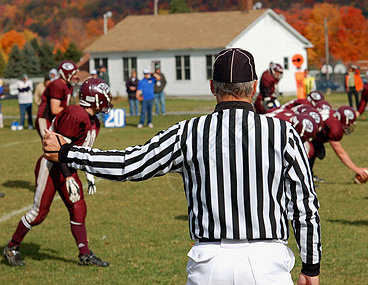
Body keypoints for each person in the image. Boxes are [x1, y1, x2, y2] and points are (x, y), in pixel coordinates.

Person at [42, 48, 321, 285]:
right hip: (267, 261)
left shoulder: (188, 131)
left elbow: (132, 163)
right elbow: (304, 204)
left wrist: (69, 153)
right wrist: (311, 266)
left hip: (210, 263)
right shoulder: (283, 132)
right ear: (254, 87)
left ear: (212, 86)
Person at [3, 78, 111, 267]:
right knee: (39, 213)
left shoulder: (93, 120)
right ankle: (12, 246)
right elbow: (57, 150)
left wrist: (88, 173)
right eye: (104, 96)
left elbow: (81, 152)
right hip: (52, 166)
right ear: (95, 98)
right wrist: (68, 176)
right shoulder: (75, 115)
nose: (107, 99)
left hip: (68, 167)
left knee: (78, 209)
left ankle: (85, 254)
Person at [309, 104, 368, 182]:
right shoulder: (335, 127)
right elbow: (340, 153)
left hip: (308, 133)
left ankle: (308, 177)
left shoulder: (333, 114)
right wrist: (356, 169)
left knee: (315, 148)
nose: (349, 126)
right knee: (309, 151)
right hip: (301, 135)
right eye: (349, 124)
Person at [35, 60, 79, 139]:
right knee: (51, 146)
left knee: (61, 147)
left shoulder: (68, 86)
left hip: (56, 119)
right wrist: (74, 109)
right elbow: (55, 109)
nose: (76, 76)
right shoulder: (58, 85)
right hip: (46, 118)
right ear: (66, 74)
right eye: (74, 74)